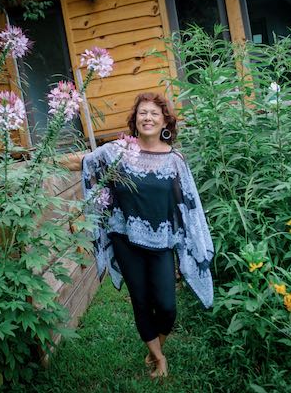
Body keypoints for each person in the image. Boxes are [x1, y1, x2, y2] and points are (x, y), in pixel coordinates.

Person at [81, 92, 214, 379]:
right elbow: (89, 164)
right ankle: (158, 356)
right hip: (124, 238)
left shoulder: (175, 160)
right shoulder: (118, 151)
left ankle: (156, 344)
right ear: (135, 119)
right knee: (141, 301)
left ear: (165, 120)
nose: (148, 118)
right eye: (143, 113)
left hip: (161, 242)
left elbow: (187, 202)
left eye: (154, 113)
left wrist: (189, 237)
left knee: (166, 306)